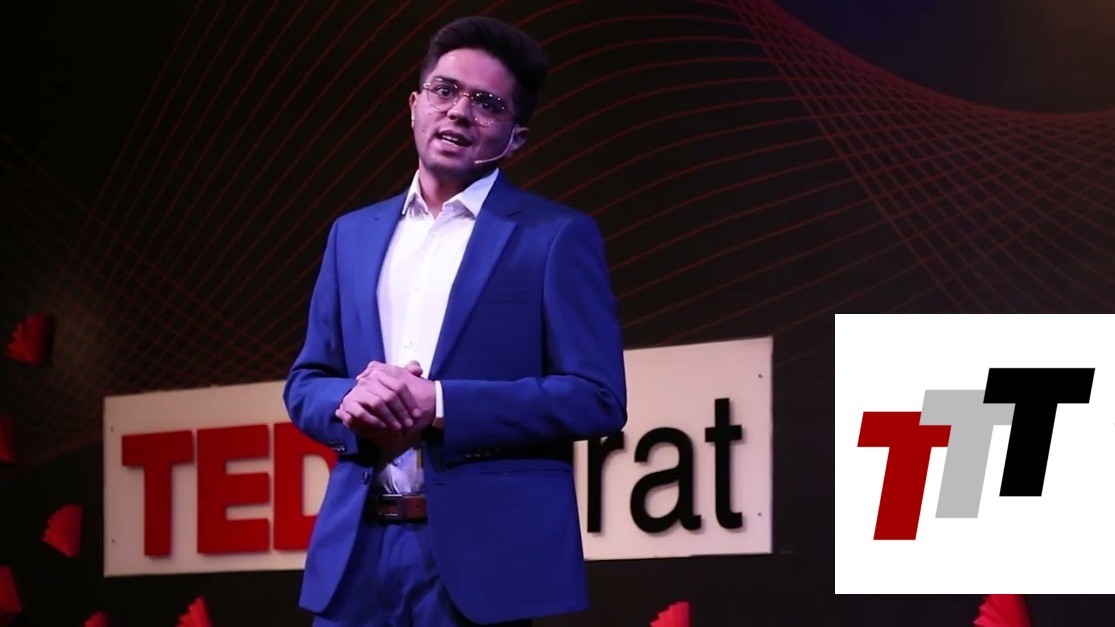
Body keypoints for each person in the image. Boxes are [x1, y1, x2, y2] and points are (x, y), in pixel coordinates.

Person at [283, 15, 628, 627]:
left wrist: (439, 404)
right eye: (444, 90)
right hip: (356, 557)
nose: (460, 111)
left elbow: (596, 397)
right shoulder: (351, 235)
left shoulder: (554, 236)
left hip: (480, 566)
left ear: (516, 139)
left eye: (487, 103)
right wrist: (351, 402)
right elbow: (306, 382)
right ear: (414, 105)